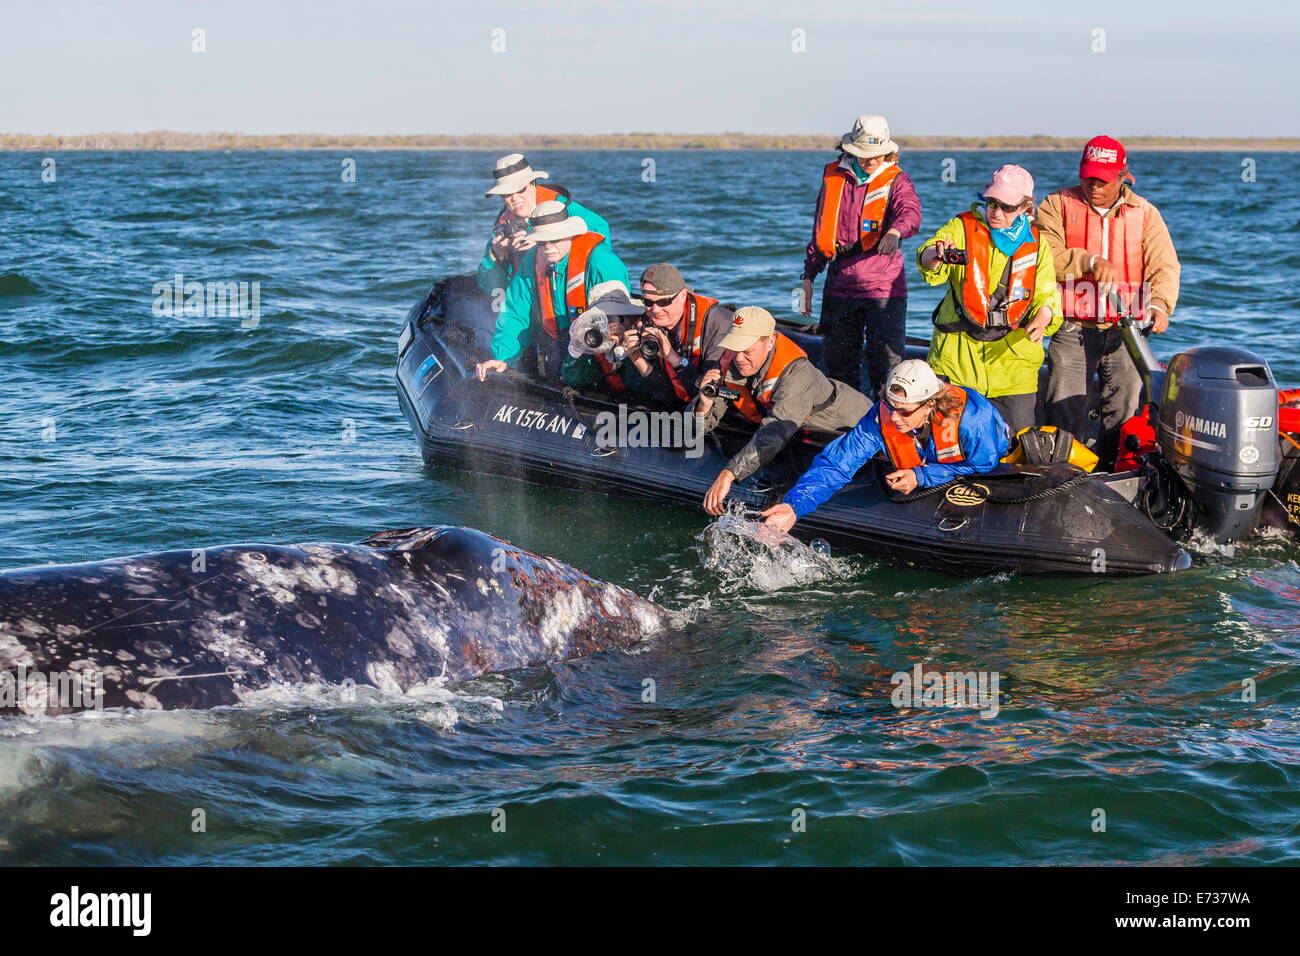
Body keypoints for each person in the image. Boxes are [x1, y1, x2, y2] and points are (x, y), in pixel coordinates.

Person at [1037, 136, 1181, 466]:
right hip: (1072, 329)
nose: (1094, 186)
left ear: (1122, 176)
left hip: (1126, 332)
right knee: (1063, 408)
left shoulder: (1145, 213)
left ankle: (1115, 471)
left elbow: (1165, 265)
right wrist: (1088, 262)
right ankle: (1058, 474)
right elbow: (1047, 255)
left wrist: (1160, 304)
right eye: (1088, 177)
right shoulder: (1055, 204)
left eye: (1103, 179)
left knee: (1127, 408)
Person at [761, 359, 1010, 532]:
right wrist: (794, 506)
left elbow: (984, 466)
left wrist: (922, 475)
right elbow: (838, 463)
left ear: (930, 404)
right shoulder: (884, 415)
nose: (895, 418)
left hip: (980, 464)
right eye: (891, 408)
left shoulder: (973, 421)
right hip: (924, 461)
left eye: (904, 412)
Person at [917, 165, 1062, 435]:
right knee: (944, 443)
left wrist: (1044, 316)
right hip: (956, 364)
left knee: (1015, 447)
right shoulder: (961, 227)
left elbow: (1047, 294)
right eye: (992, 203)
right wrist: (934, 256)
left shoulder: (1038, 243)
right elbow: (928, 258)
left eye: (1006, 207)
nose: (996, 213)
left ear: (1025, 208)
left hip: (1014, 370)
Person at [693, 306, 872, 515]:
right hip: (799, 428)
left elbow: (774, 433)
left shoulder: (798, 375)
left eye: (747, 350)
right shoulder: (731, 362)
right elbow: (695, 430)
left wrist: (729, 473)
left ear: (769, 342)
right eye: (735, 348)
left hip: (850, 422)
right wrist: (704, 403)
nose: (739, 358)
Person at [801, 114, 922, 393]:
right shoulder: (835, 176)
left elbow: (910, 212)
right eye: (864, 155)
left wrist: (894, 232)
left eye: (877, 155)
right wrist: (809, 276)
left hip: (883, 288)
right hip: (840, 286)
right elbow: (821, 229)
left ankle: (886, 423)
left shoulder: (897, 181)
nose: (870, 161)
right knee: (838, 364)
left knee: (886, 365)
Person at [475, 200, 629, 386]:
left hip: (599, 349)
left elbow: (620, 315)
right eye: (541, 241)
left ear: (570, 235)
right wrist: (503, 358)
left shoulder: (602, 262)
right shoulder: (532, 261)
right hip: (558, 344)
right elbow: (515, 314)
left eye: (554, 239)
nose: (548, 247)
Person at [476, 153, 612, 298]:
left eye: (520, 189)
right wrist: (496, 256)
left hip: (568, 295)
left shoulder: (565, 210)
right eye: (506, 194)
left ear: (533, 183)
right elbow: (489, 287)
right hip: (526, 301)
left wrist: (546, 242)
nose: (515, 198)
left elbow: (602, 240)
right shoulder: (503, 229)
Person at [620, 264, 735, 404]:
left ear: (682, 296)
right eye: (648, 302)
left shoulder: (718, 325)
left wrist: (673, 358)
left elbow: (709, 396)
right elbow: (665, 394)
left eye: (664, 302)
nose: (655, 310)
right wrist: (636, 358)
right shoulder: (647, 323)